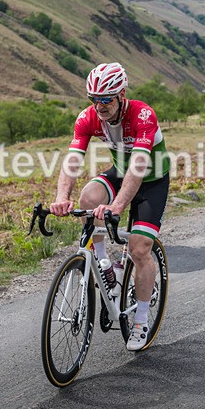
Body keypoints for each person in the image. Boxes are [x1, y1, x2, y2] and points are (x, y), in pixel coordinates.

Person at [49, 62, 171, 351]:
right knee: (88, 199)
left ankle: (141, 319)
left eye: (106, 99)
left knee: (139, 249)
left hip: (151, 180)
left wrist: (116, 206)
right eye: (94, 99)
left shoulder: (142, 115)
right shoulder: (88, 117)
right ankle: (104, 264)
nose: (99, 105)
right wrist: (61, 197)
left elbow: (139, 167)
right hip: (121, 172)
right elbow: (73, 159)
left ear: (122, 94)